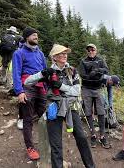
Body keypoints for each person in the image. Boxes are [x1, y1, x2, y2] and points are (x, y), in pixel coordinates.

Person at [24, 44, 96, 168]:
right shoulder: (48, 72)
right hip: (53, 108)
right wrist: (42, 73)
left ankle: (91, 166)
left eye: (65, 53)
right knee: (56, 143)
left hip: (70, 107)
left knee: (81, 137)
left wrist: (60, 86)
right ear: (54, 57)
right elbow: (27, 82)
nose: (64, 55)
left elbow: (77, 91)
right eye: (61, 53)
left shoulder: (72, 70)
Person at [12, 27, 47, 160]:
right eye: (33, 35)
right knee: (28, 118)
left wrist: (47, 87)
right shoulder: (19, 53)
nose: (36, 37)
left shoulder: (41, 54)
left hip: (41, 87)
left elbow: (45, 71)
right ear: (27, 37)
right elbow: (15, 73)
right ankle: (30, 147)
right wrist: (19, 91)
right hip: (27, 86)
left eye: (37, 35)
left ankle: (47, 142)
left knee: (44, 116)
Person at [78, 43, 111, 149]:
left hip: (98, 89)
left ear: (96, 51)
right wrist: (92, 76)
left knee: (101, 112)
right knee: (88, 112)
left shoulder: (100, 60)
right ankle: (92, 135)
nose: (90, 51)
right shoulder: (83, 61)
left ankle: (102, 136)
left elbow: (106, 70)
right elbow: (82, 75)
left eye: (92, 50)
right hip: (86, 89)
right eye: (88, 50)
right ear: (87, 51)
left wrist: (97, 71)